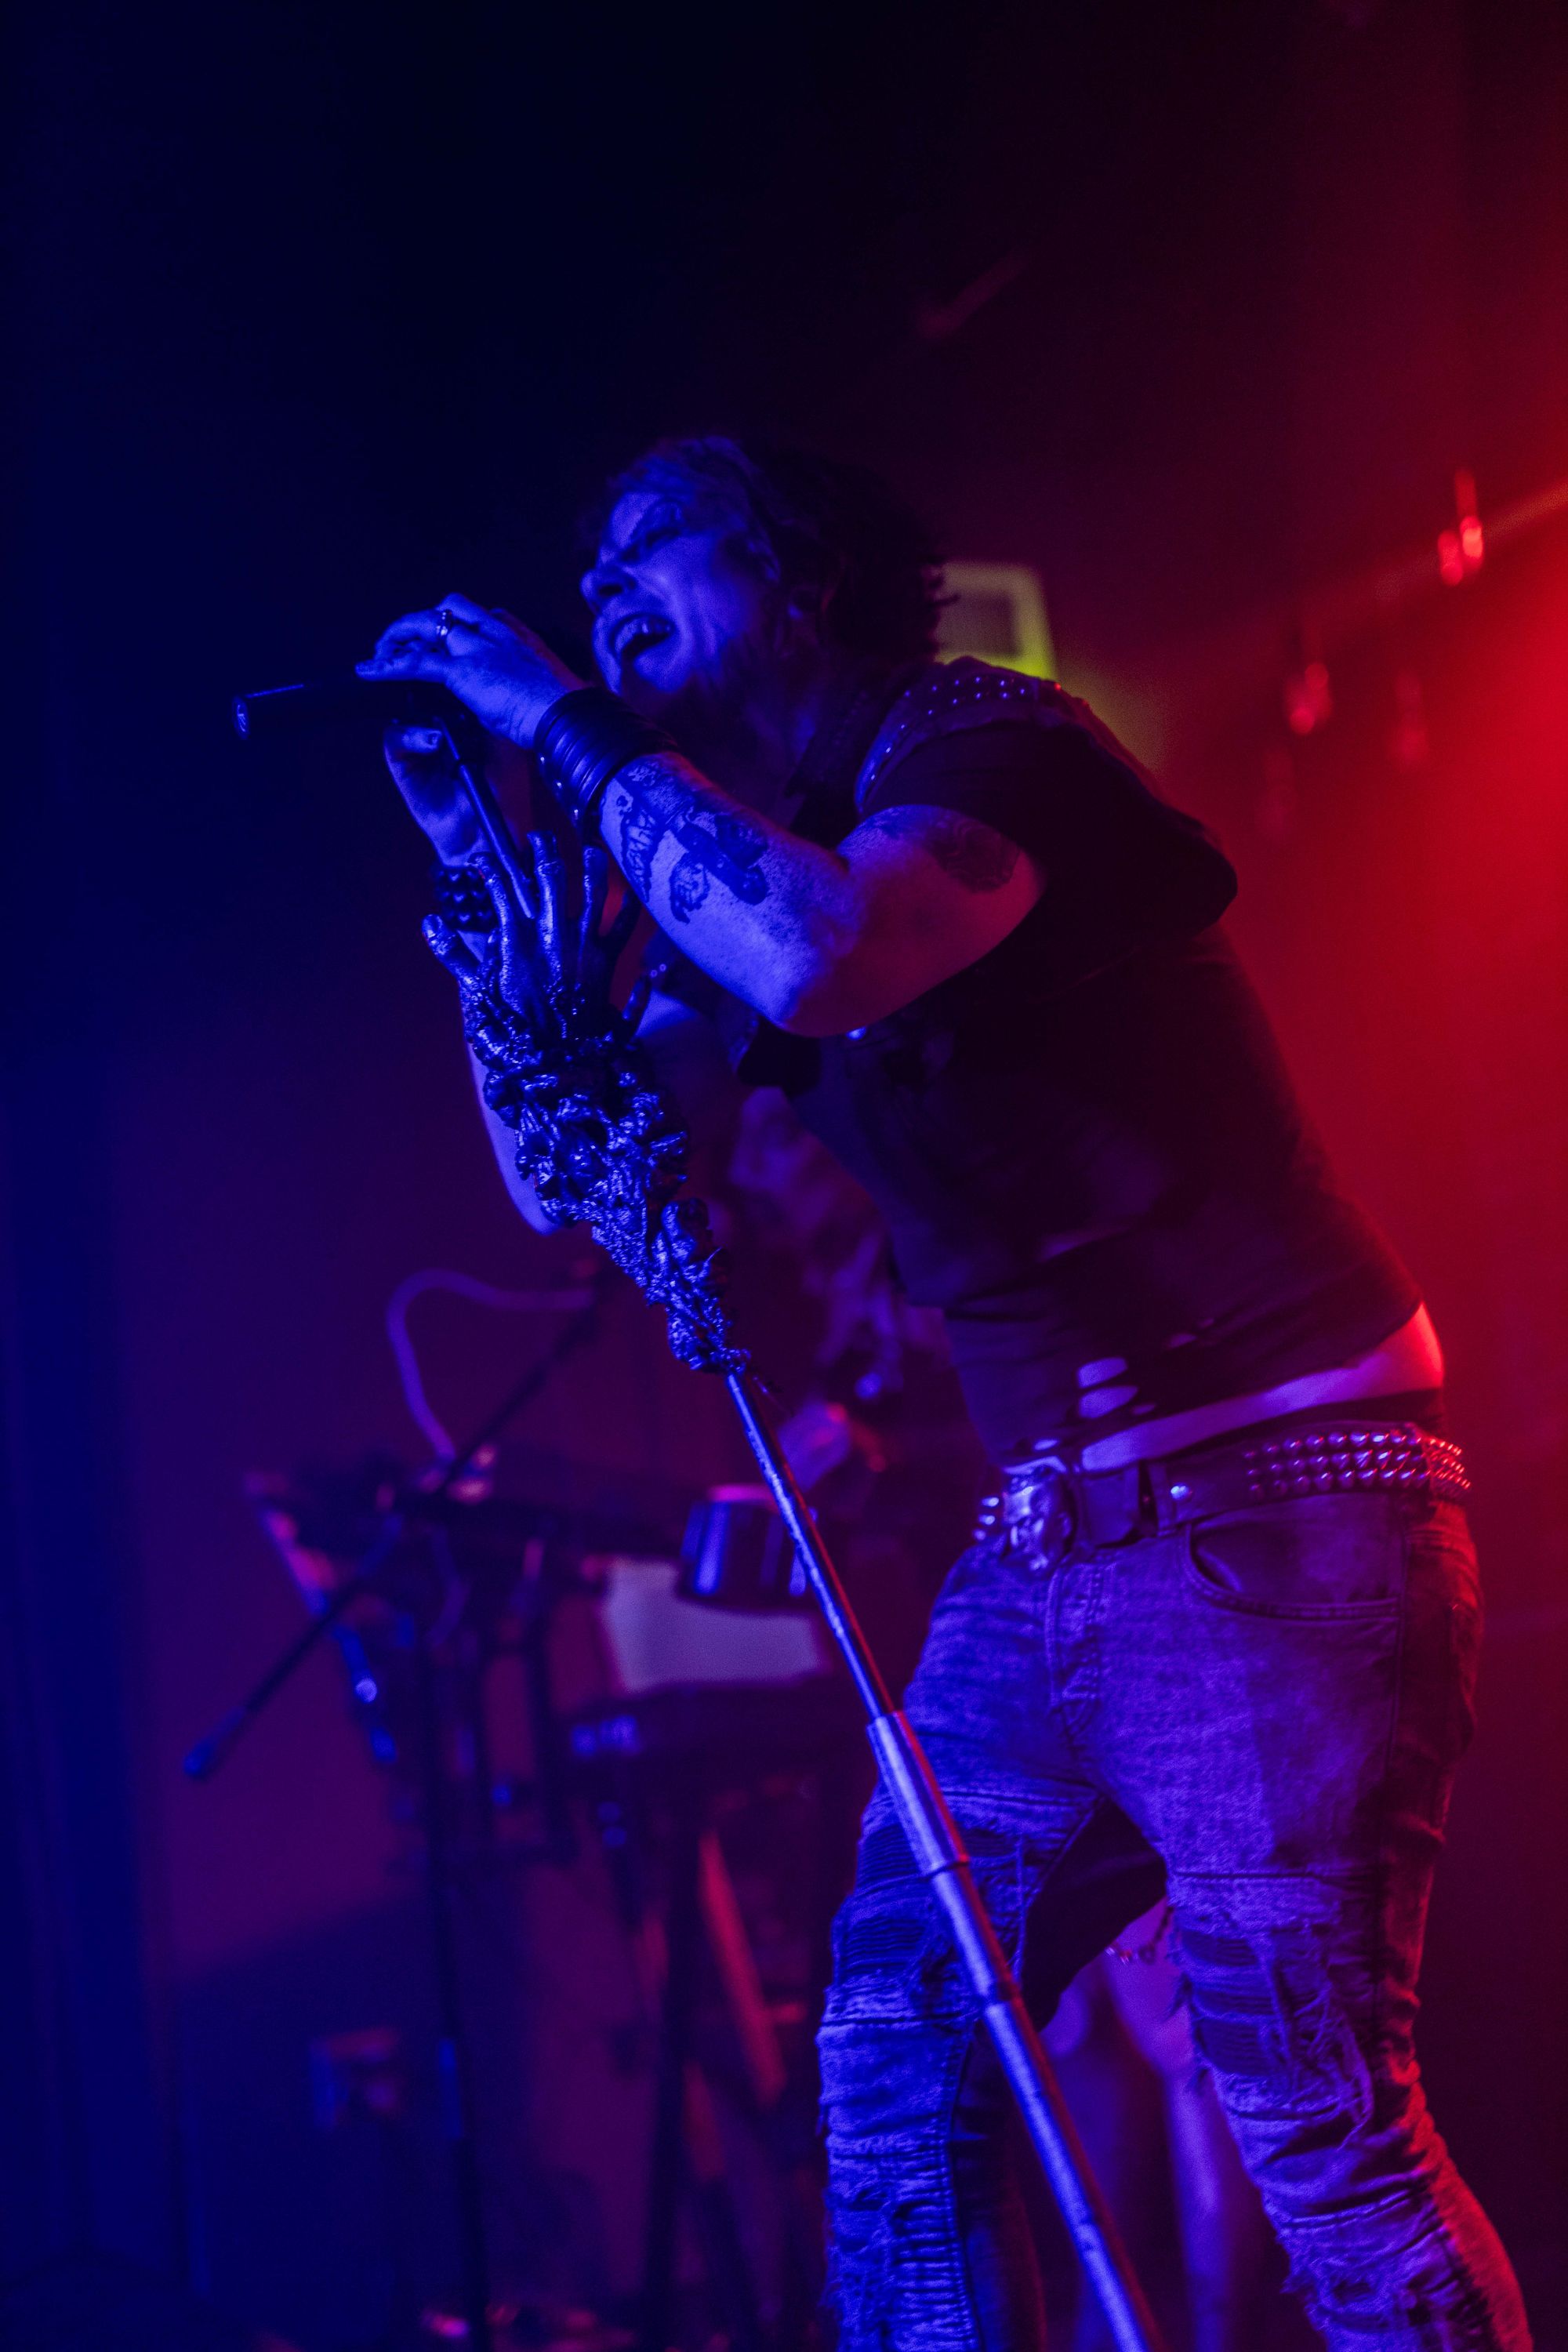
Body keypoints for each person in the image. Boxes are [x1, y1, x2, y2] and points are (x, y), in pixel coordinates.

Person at [361, 437, 1530, 2350]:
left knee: (1317, 2121)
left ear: (798, 576)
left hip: (1275, 1508)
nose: (603, 588)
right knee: (896, 2066)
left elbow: (827, 947)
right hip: (1044, 1549)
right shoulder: (748, 856)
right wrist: (481, 871)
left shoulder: (987, 741)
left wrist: (561, 721)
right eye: (588, 571)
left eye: (653, 545)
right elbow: (570, 1172)